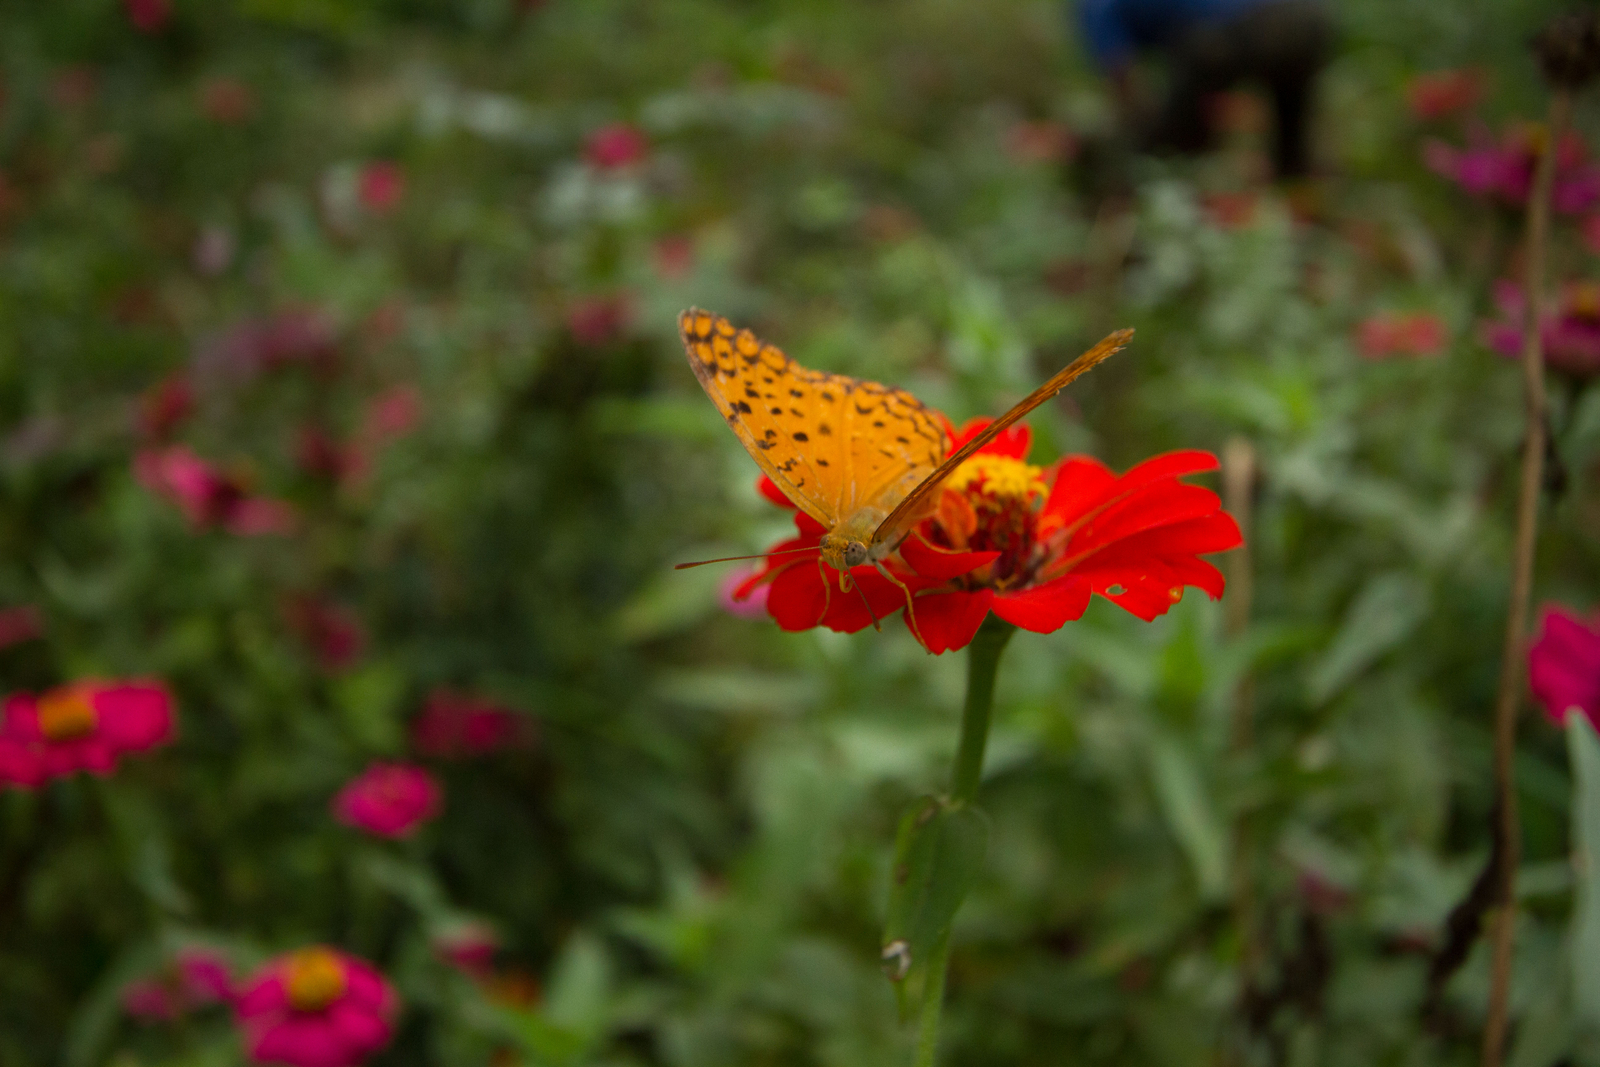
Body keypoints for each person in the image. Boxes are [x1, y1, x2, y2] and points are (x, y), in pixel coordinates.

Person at [1076, 0, 1331, 179]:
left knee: (1167, 149)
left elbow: (1121, 73)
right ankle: (1299, 198)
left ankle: (1177, 201)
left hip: (1245, 25)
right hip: (1310, 14)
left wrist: (1143, 126)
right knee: (1291, 140)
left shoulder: (1096, 5)